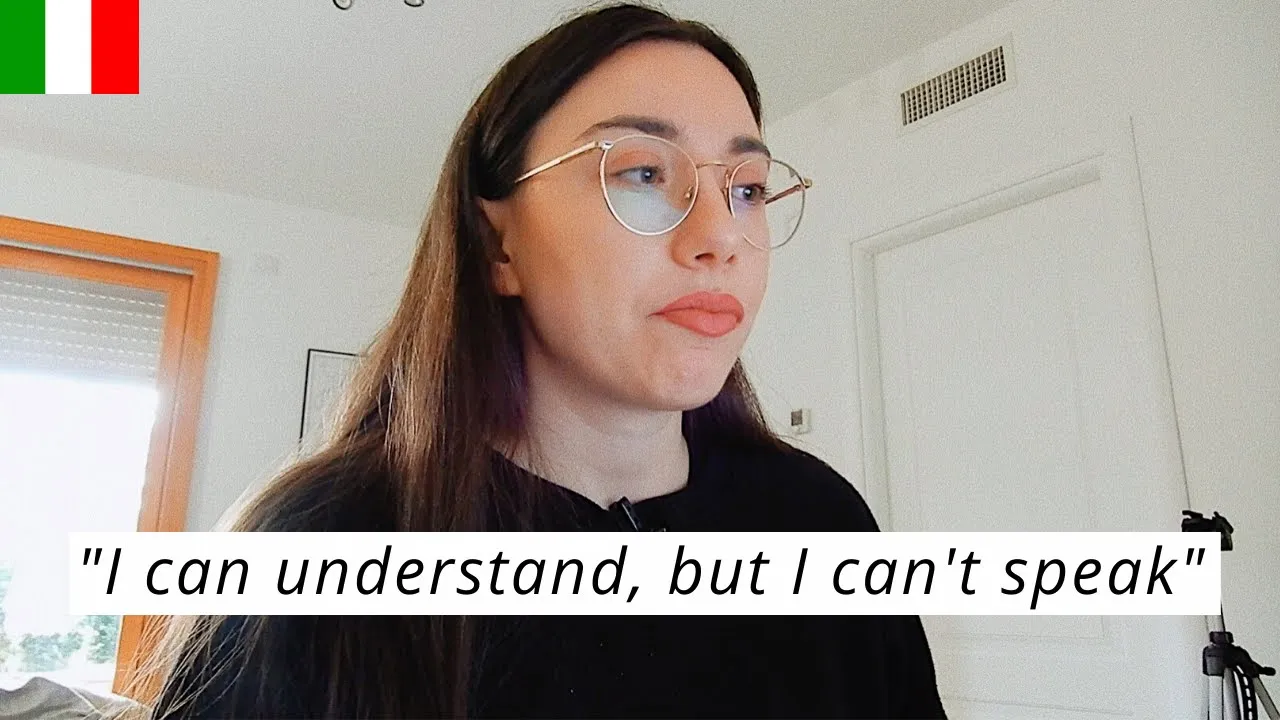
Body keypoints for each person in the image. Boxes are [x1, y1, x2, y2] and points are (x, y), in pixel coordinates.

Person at [147, 3, 946, 718]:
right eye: (643, 173)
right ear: (498, 244)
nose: (721, 237)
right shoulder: (314, 549)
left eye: (747, 189)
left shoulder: (821, 521)